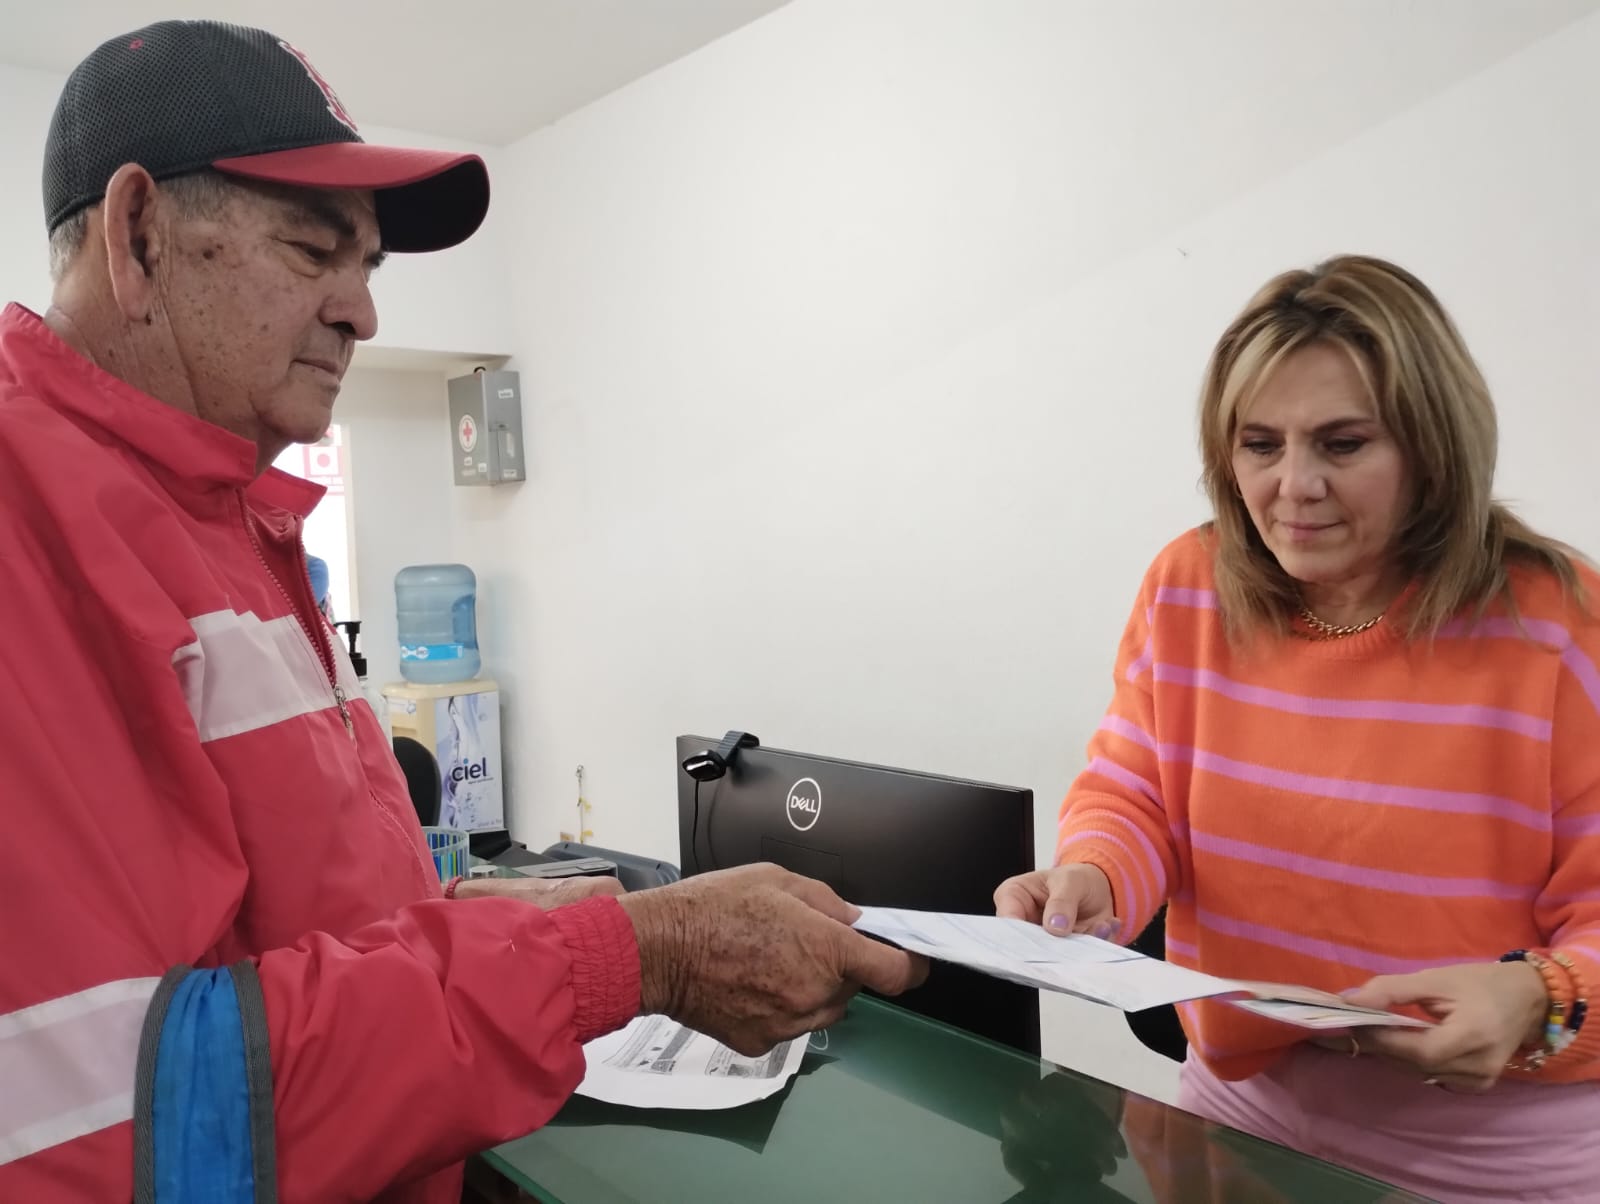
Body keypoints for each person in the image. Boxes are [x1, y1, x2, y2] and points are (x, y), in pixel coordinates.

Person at [0, 21, 923, 1203]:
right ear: (138, 234)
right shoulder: (30, 526)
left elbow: (253, 934)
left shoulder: (230, 521)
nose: (362, 313)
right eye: (312, 249)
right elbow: (124, 1112)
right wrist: (622, 957)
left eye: (370, 265)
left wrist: (445, 914)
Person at [995, 254, 1600, 1202]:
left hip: (1494, 1156)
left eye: (1343, 444)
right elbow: (1135, 791)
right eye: (1260, 445)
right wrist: (1097, 876)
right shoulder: (1188, 588)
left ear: (1434, 446)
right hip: (1243, 1114)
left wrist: (1536, 998)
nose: (1293, 486)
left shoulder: (1559, 625)